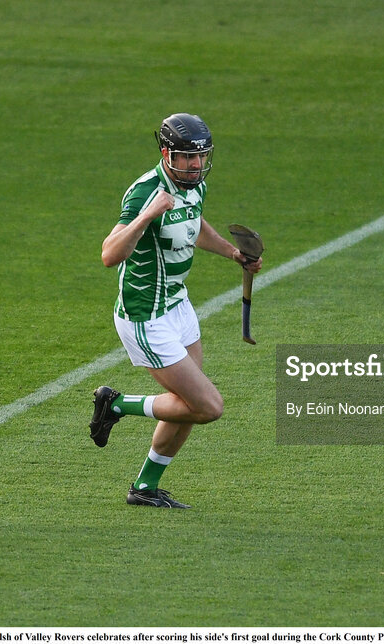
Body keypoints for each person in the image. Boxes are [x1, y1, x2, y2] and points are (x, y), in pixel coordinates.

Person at [89, 113, 262, 509]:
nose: (196, 165)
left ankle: (144, 488)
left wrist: (234, 254)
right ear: (167, 153)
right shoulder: (146, 191)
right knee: (207, 407)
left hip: (177, 305)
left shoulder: (194, 186)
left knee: (188, 407)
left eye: (201, 157)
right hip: (145, 316)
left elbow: (195, 225)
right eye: (187, 158)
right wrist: (147, 215)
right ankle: (115, 404)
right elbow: (108, 254)